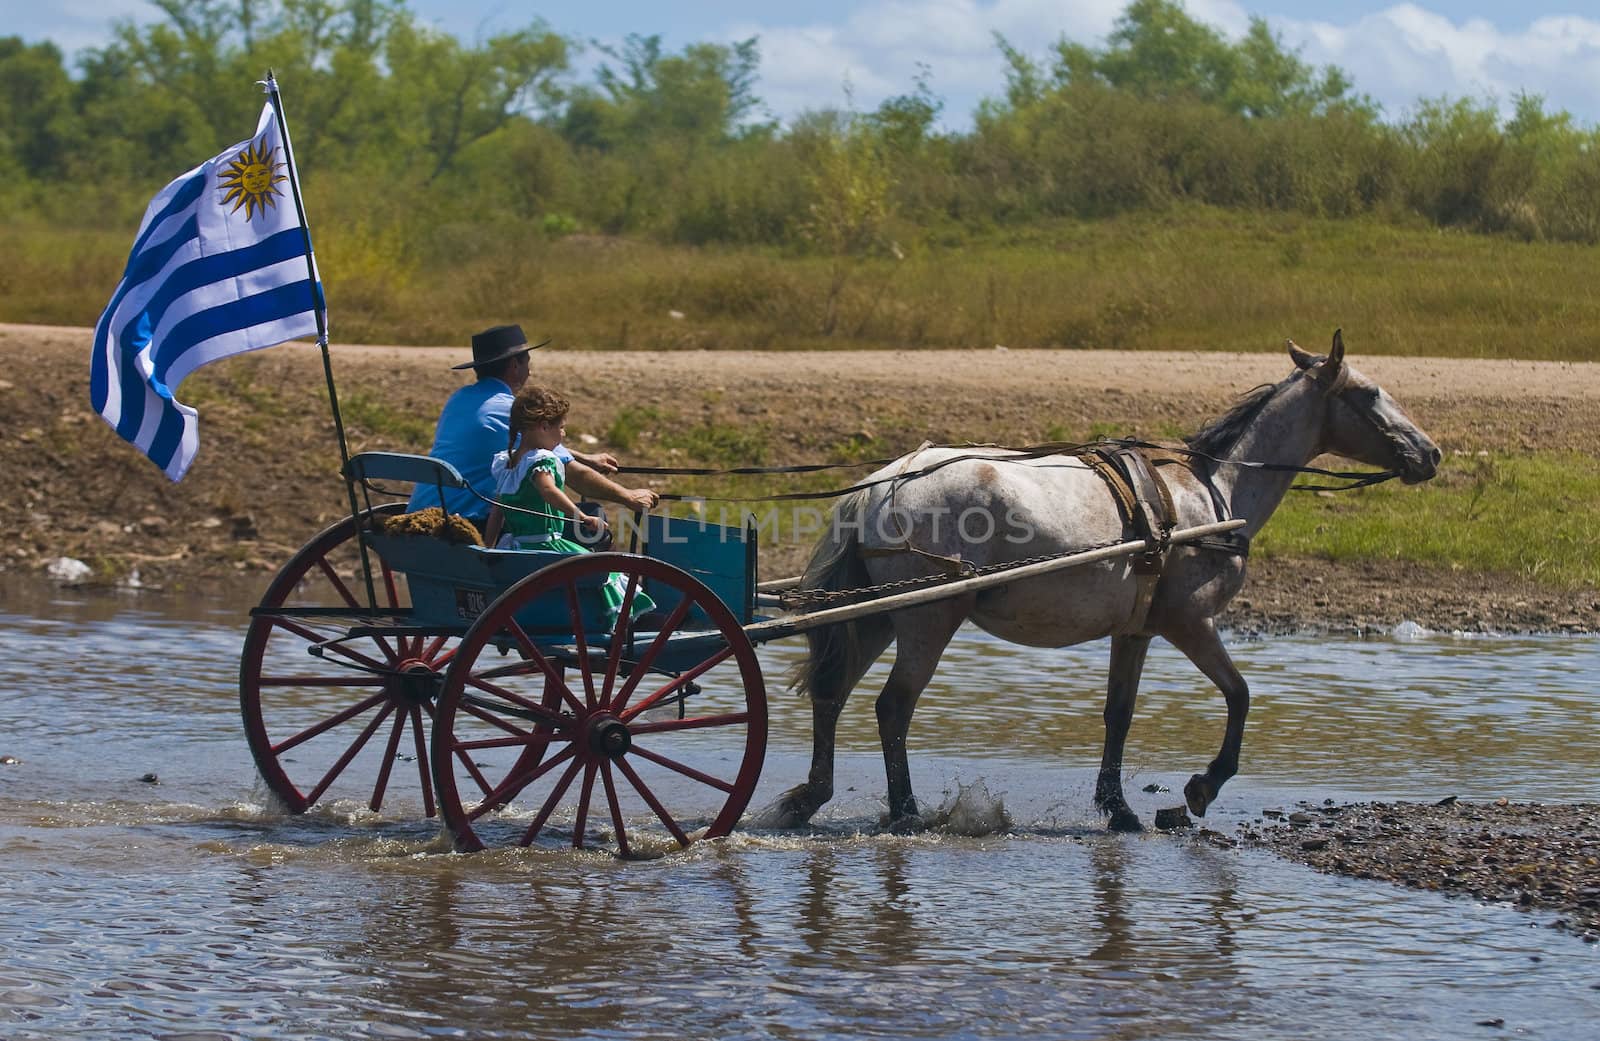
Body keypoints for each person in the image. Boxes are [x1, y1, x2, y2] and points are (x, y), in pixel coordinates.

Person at [406, 323, 658, 535]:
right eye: (527, 362)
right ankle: (595, 589)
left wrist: (587, 457)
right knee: (593, 516)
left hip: (424, 509)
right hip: (465, 521)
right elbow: (576, 477)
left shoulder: (460, 399)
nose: (530, 370)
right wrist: (629, 497)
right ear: (514, 365)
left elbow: (525, 441)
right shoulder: (508, 409)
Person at [482, 385, 655, 621]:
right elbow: (548, 490)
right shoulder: (541, 460)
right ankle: (606, 620)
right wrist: (580, 516)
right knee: (603, 571)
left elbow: (498, 510)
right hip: (545, 547)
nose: (563, 435)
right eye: (561, 428)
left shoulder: (508, 463)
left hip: (516, 547)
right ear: (544, 426)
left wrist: (488, 547)